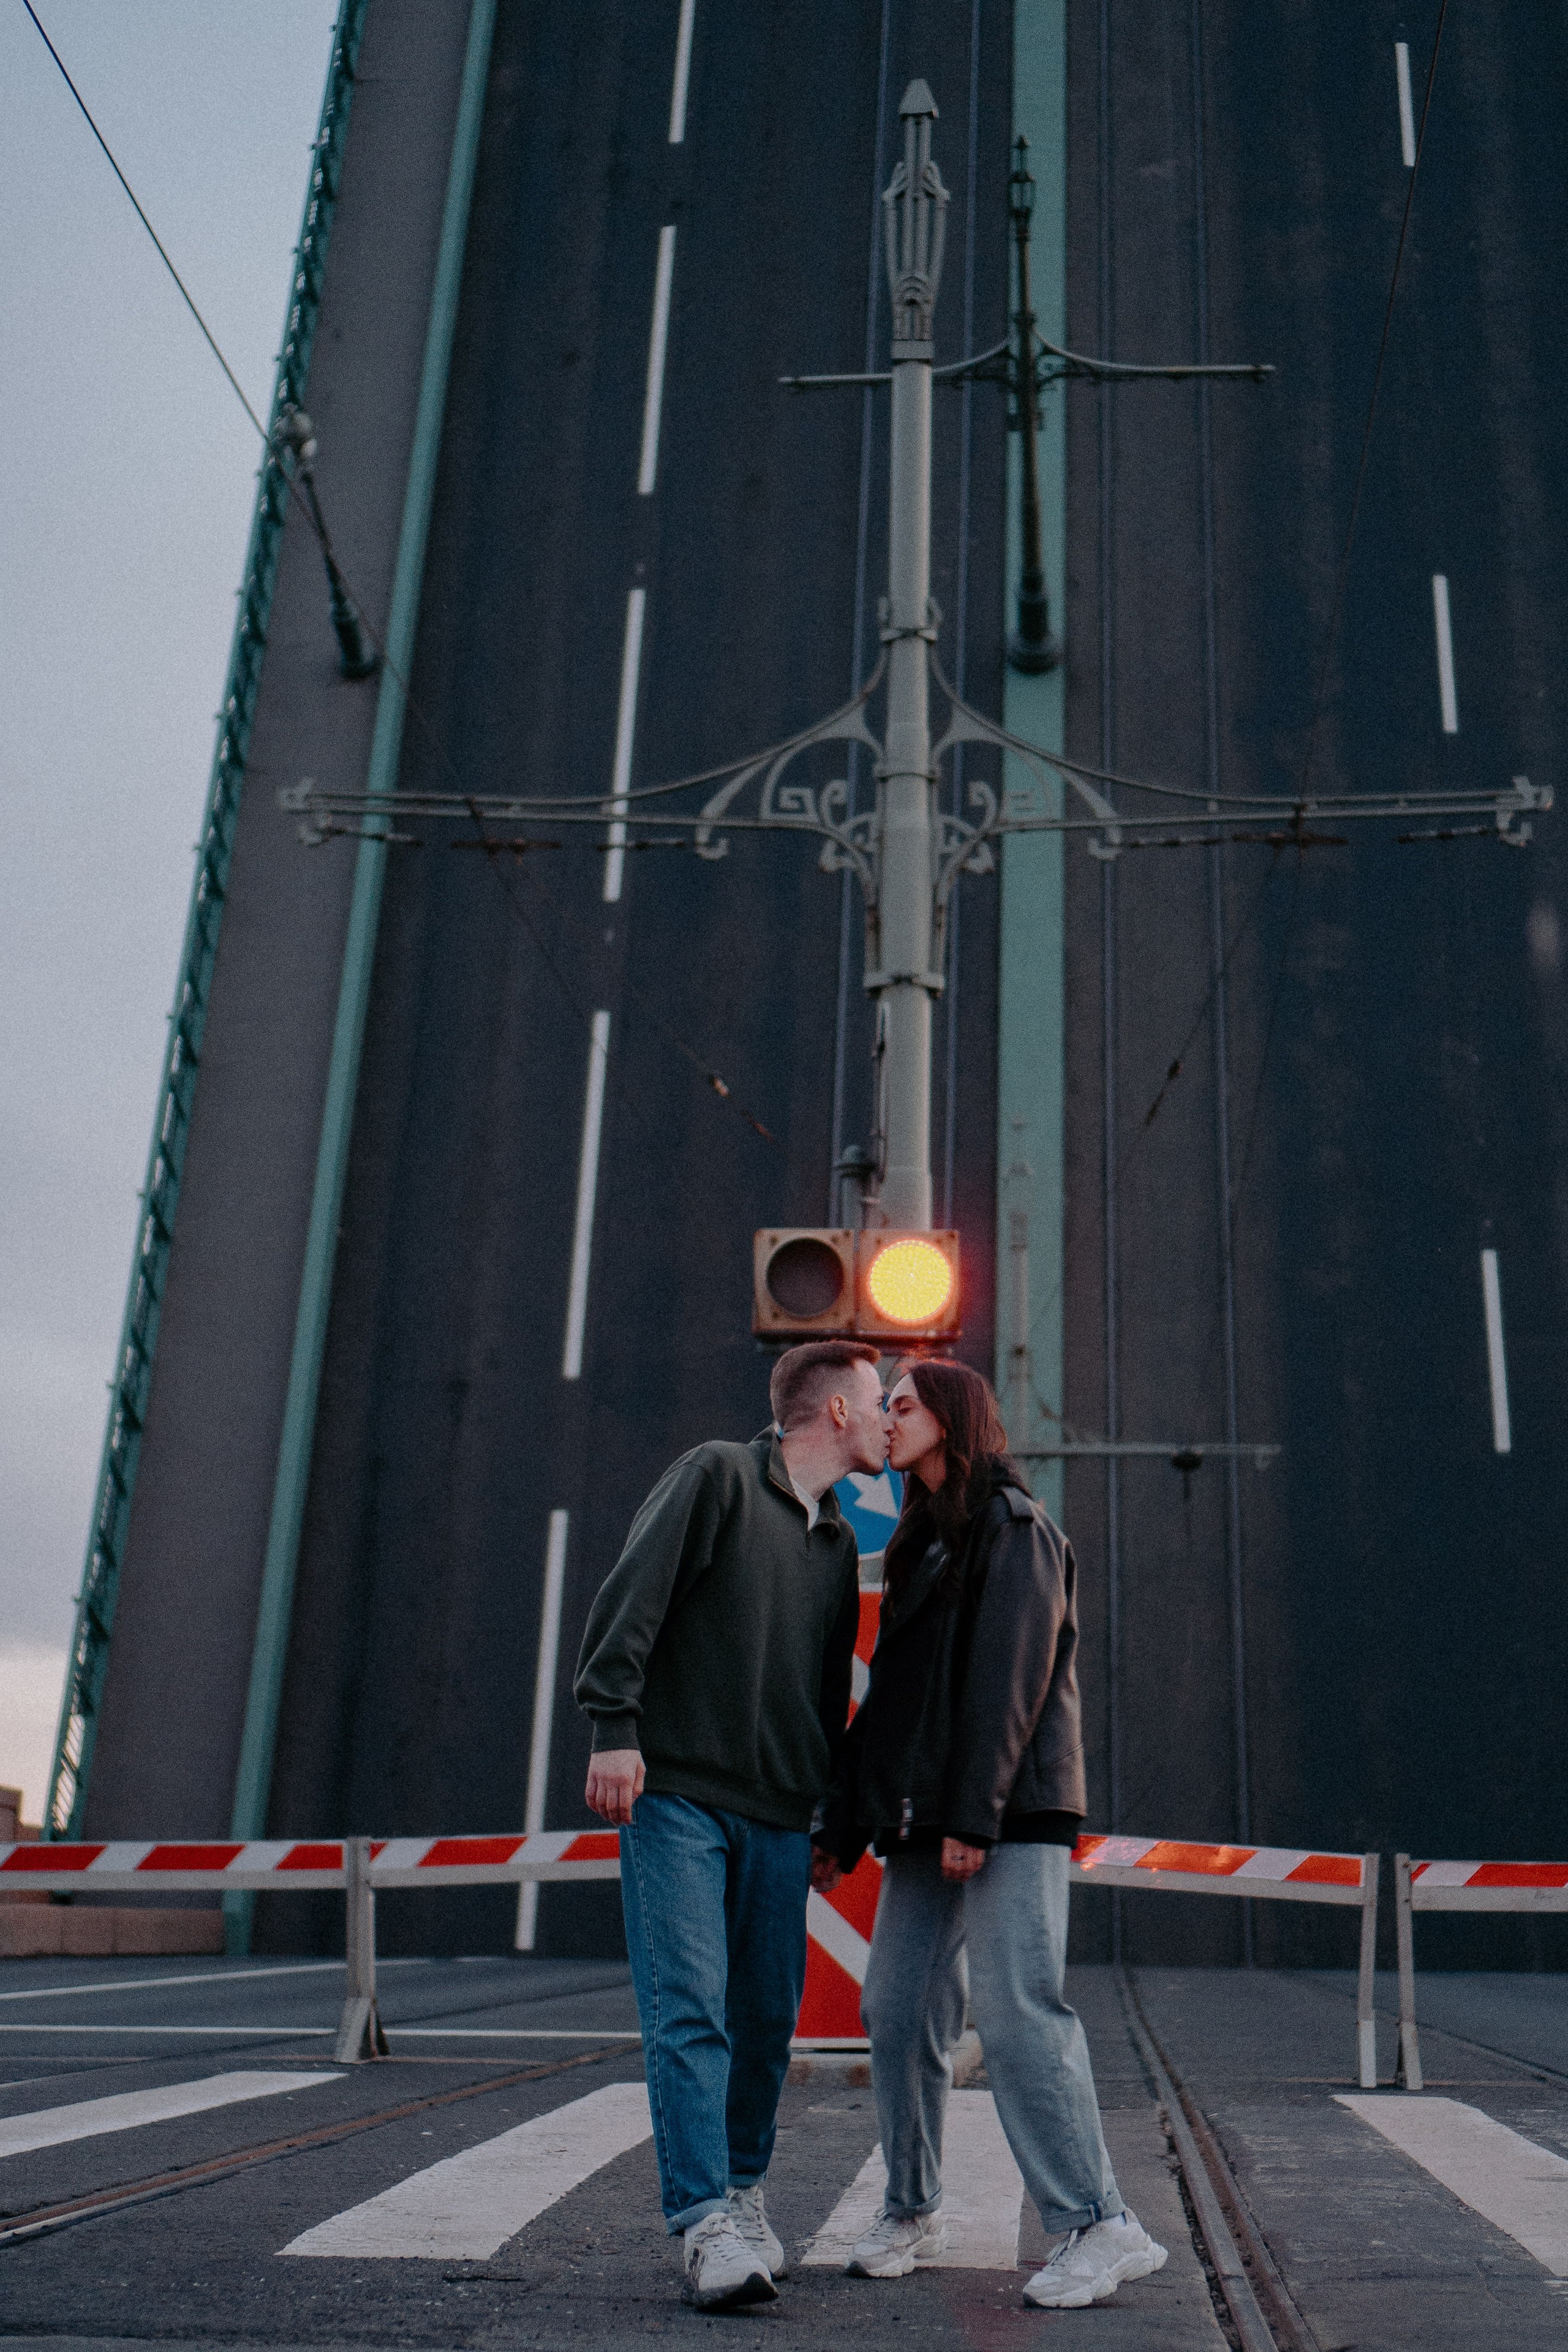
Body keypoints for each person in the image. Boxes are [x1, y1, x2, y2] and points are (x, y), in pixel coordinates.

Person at [812, 1358, 1168, 2312]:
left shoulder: (1016, 1531)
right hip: (931, 1817)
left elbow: (1009, 1678)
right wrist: (843, 1828)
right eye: (885, 1404)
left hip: (1010, 1810)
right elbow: (892, 1706)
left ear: (951, 1418)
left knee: (1017, 2013)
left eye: (902, 1405)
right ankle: (912, 2207)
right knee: (895, 2009)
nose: (887, 1417)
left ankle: (1100, 2223)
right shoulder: (925, 1543)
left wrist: (977, 1815)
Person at [573, 1339, 887, 2311]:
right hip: (677, 1796)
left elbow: (828, 1688)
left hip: (780, 1815)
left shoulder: (839, 1543)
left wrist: (830, 1814)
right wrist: (613, 1727)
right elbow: (633, 1598)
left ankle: (745, 2193)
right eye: (879, 1402)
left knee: (763, 2021)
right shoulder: (716, 1476)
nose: (887, 1418)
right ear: (834, 1411)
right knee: (691, 2008)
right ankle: (704, 2220)